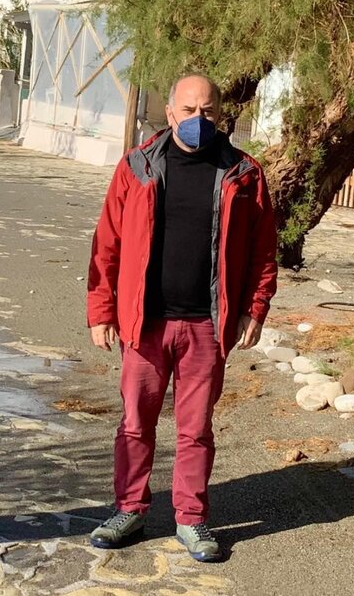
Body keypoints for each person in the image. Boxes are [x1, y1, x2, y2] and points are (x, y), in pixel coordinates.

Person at [85, 74, 278, 562]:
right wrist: (101, 310)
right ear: (169, 113)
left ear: (221, 114)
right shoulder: (137, 167)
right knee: (135, 423)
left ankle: (191, 519)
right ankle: (129, 509)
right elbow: (107, 242)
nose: (198, 119)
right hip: (145, 324)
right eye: (188, 110)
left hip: (206, 326)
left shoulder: (243, 174)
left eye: (207, 111)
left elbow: (263, 250)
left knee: (195, 429)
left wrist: (255, 308)